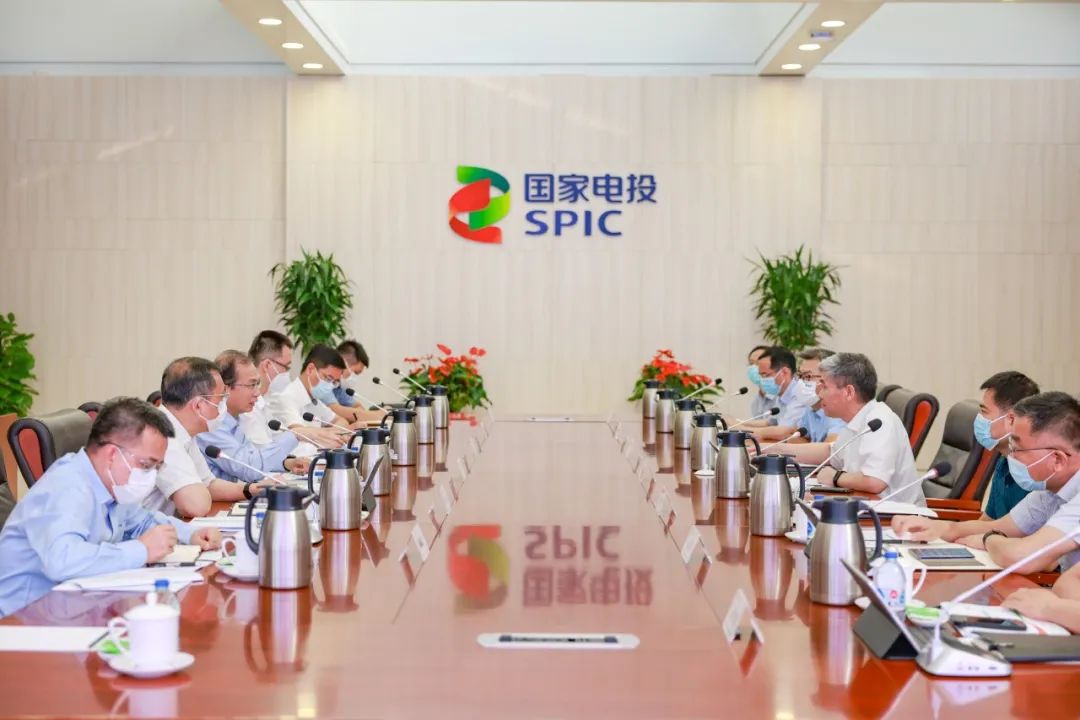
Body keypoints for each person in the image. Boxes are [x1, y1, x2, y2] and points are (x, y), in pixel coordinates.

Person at [0, 398, 222, 617]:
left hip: (74, 606)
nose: (151, 475)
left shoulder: (112, 485)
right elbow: (62, 561)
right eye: (147, 465)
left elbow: (142, 521)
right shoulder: (67, 486)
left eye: (157, 467)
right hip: (22, 619)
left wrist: (190, 533)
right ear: (112, 455)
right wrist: (142, 550)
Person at [893, 392, 1080, 573]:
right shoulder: (1049, 491)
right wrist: (937, 527)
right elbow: (998, 526)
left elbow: (1020, 556)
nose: (1011, 456)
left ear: (1057, 460)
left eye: (1017, 448)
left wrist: (988, 539)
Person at [772, 352, 924, 505]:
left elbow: (874, 481)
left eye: (824, 386)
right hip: (869, 505)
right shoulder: (857, 419)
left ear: (849, 392)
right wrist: (773, 450)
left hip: (899, 515)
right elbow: (831, 453)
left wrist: (835, 477)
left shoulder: (879, 421)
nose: (819, 393)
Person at [145, 357, 274, 518]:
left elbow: (209, 484)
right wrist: (203, 491)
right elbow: (195, 506)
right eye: (220, 400)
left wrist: (251, 490)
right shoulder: (163, 436)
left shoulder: (184, 432)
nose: (223, 407)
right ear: (198, 405)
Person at [196, 351, 311, 482]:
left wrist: (287, 464)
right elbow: (248, 469)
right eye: (251, 385)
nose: (257, 393)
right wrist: (295, 434)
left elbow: (253, 457)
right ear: (225, 389)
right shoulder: (211, 424)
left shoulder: (234, 419)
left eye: (257, 384)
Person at [242, 331, 340, 449]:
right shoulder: (249, 406)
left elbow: (279, 442)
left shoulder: (268, 398)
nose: (287, 373)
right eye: (286, 367)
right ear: (267, 365)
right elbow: (264, 452)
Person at [976, 371, 1040, 519]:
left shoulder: (1036, 473)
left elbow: (1012, 530)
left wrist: (949, 529)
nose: (979, 419)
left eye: (984, 412)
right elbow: (987, 521)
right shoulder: (1004, 461)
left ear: (1011, 419)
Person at [267, 344, 354, 432]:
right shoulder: (286, 397)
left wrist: (332, 432)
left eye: (334, 382)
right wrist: (334, 432)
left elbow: (342, 421)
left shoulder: (314, 399)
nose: (330, 386)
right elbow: (301, 434)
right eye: (328, 378)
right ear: (310, 369)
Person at [744, 346, 820, 442]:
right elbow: (772, 423)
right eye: (801, 375)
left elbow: (784, 433)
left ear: (784, 372)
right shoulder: (781, 395)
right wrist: (739, 425)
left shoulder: (801, 396)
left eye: (765, 375)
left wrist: (740, 429)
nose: (761, 380)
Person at [795, 348, 845, 443]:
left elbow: (830, 447)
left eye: (808, 376)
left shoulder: (840, 409)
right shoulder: (811, 405)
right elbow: (796, 438)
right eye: (800, 376)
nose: (801, 382)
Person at [330, 339, 384, 425]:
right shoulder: (322, 384)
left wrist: (360, 415)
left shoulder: (339, 386)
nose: (354, 377)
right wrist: (378, 415)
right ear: (343, 362)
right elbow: (336, 410)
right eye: (355, 373)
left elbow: (358, 407)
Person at [746, 344, 773, 418]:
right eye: (751, 363)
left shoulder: (780, 397)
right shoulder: (755, 402)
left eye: (758, 363)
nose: (754, 367)